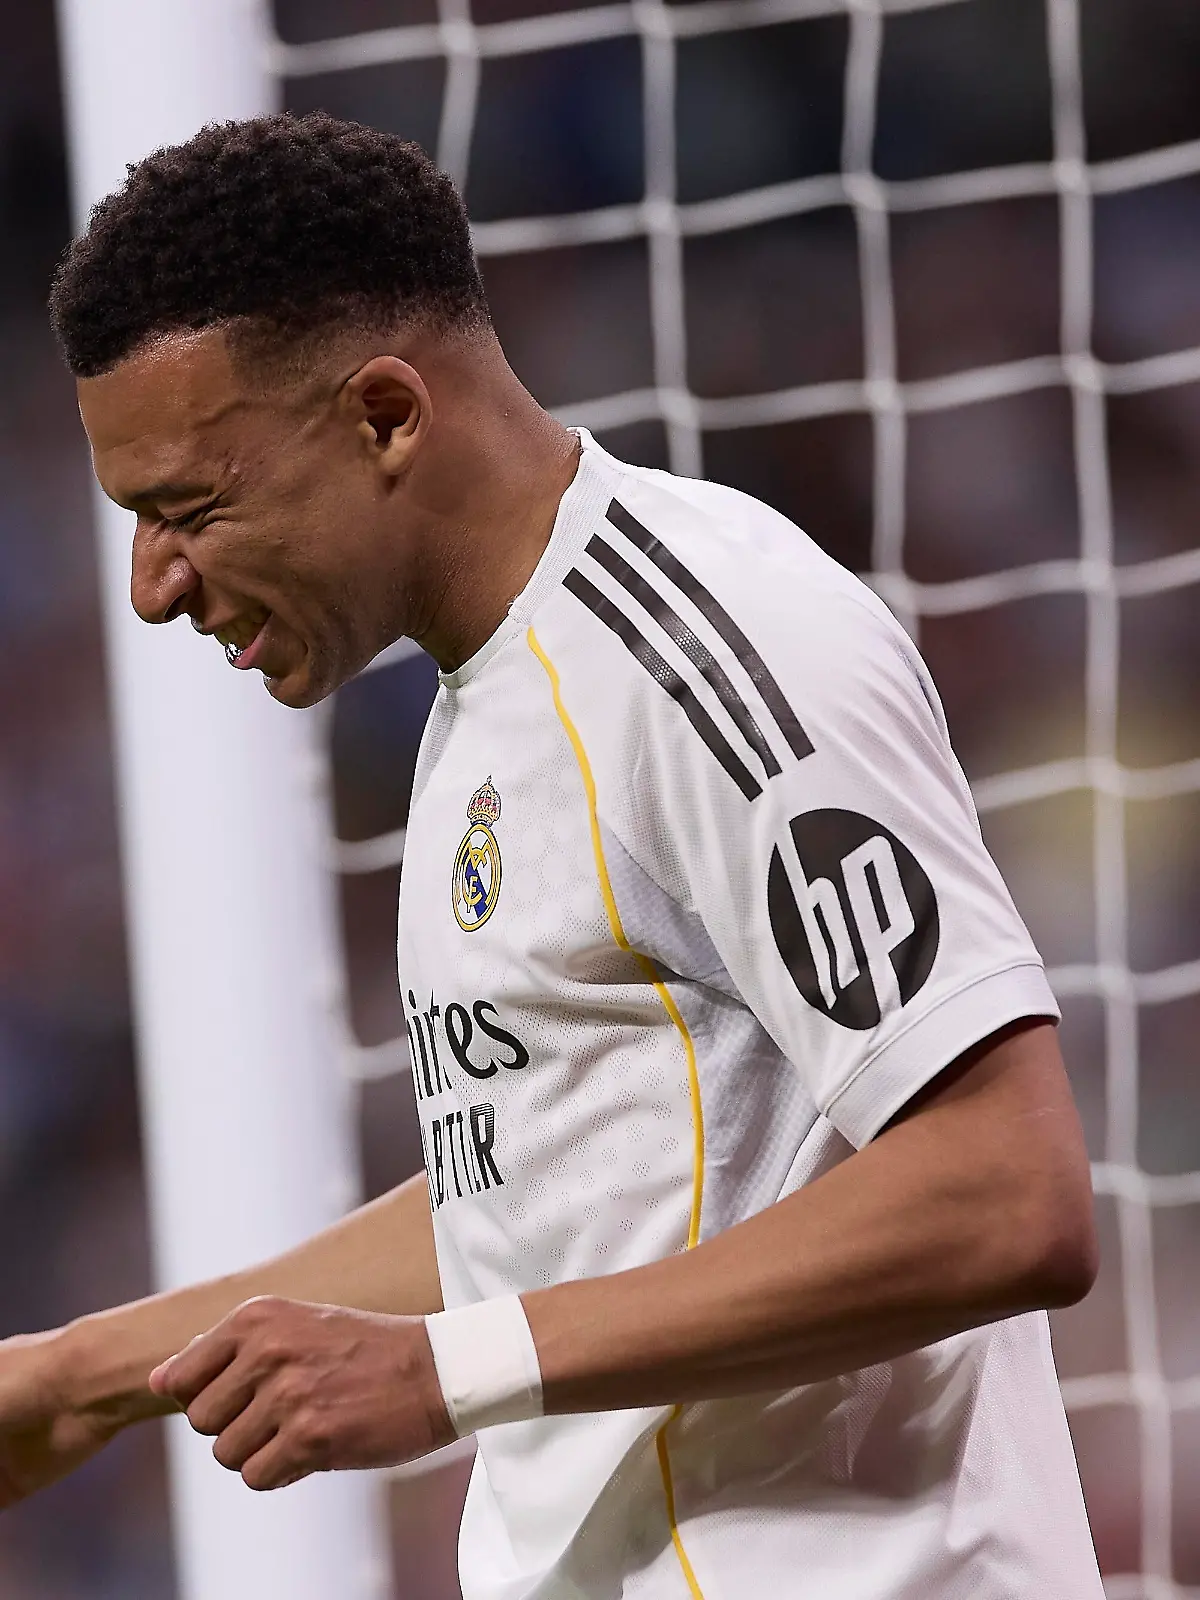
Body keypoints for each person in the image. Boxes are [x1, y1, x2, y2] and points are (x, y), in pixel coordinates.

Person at [16, 111, 1103, 1597]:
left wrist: (448, 1372)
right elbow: (538, 1200)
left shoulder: (710, 649)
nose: (153, 585)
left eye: (190, 509)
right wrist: (80, 1379)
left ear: (385, 415)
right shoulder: (491, 699)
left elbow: (1004, 1187)